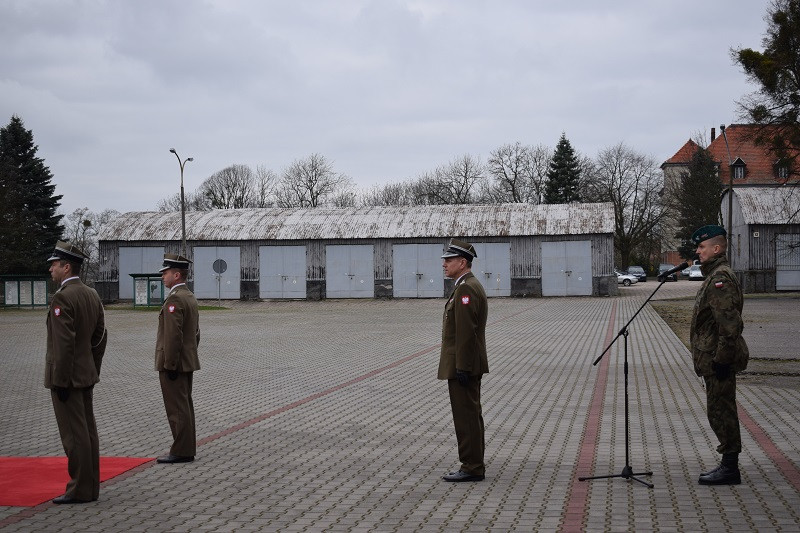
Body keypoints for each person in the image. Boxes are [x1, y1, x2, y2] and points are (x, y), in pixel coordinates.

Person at [45, 241, 107, 504]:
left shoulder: (63, 297)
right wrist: (92, 366)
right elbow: (100, 336)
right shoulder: (91, 294)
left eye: (54, 264)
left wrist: (60, 380)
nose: (50, 269)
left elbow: (63, 345)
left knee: (74, 435)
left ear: (66, 267)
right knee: (88, 431)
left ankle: (79, 489)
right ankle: (90, 486)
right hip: (85, 374)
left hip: (67, 377)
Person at [690, 225, 749, 485]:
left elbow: (729, 325)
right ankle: (728, 465)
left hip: (718, 359)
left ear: (716, 248)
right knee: (719, 409)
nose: (698, 251)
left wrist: (722, 360)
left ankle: (730, 468)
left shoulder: (719, 278)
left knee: (722, 411)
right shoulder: (715, 274)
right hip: (714, 356)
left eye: (702, 247)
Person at [438, 239, 489, 482]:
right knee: (471, 414)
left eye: (448, 260)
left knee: (466, 416)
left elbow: (467, 332)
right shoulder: (467, 285)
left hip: (464, 364)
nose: (444, 264)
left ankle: (471, 467)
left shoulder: (466, 289)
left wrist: (462, 367)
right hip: (466, 362)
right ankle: (473, 463)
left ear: (462, 262)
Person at [155, 253, 201, 464]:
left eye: (165, 273)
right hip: (186, 360)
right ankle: (186, 448)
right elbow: (196, 333)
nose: (162, 276)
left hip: (174, 364)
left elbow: (173, 336)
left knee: (177, 408)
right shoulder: (189, 296)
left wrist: (171, 364)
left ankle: (181, 451)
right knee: (185, 406)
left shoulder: (175, 298)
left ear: (176, 275)